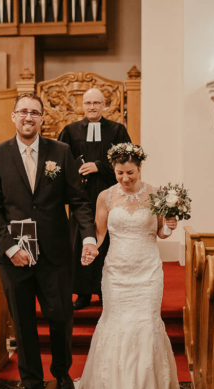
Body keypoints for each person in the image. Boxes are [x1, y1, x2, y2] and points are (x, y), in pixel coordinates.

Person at [0, 93, 99, 389]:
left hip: (54, 254)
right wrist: (10, 248)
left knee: (61, 316)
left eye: (35, 112)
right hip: (15, 257)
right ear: (13, 116)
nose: (28, 117)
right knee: (24, 326)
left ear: (43, 119)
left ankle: (62, 374)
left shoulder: (60, 152)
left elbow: (79, 201)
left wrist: (88, 235)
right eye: (23, 112)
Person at [75, 143, 180, 389]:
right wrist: (91, 249)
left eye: (130, 172)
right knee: (117, 324)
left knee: (146, 323)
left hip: (147, 270)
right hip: (117, 271)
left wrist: (169, 227)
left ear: (140, 168)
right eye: (120, 173)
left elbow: (160, 233)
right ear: (114, 169)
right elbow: (99, 234)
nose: (125, 178)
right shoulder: (105, 196)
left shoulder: (157, 194)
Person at [58, 88, 132, 310]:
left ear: (104, 105)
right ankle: (82, 293)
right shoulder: (70, 130)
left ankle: (105, 291)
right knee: (81, 241)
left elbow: (129, 161)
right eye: (88, 103)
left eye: (96, 103)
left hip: (110, 195)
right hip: (80, 197)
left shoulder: (117, 130)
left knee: (108, 242)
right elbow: (59, 161)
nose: (92, 107)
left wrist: (99, 166)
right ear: (82, 105)